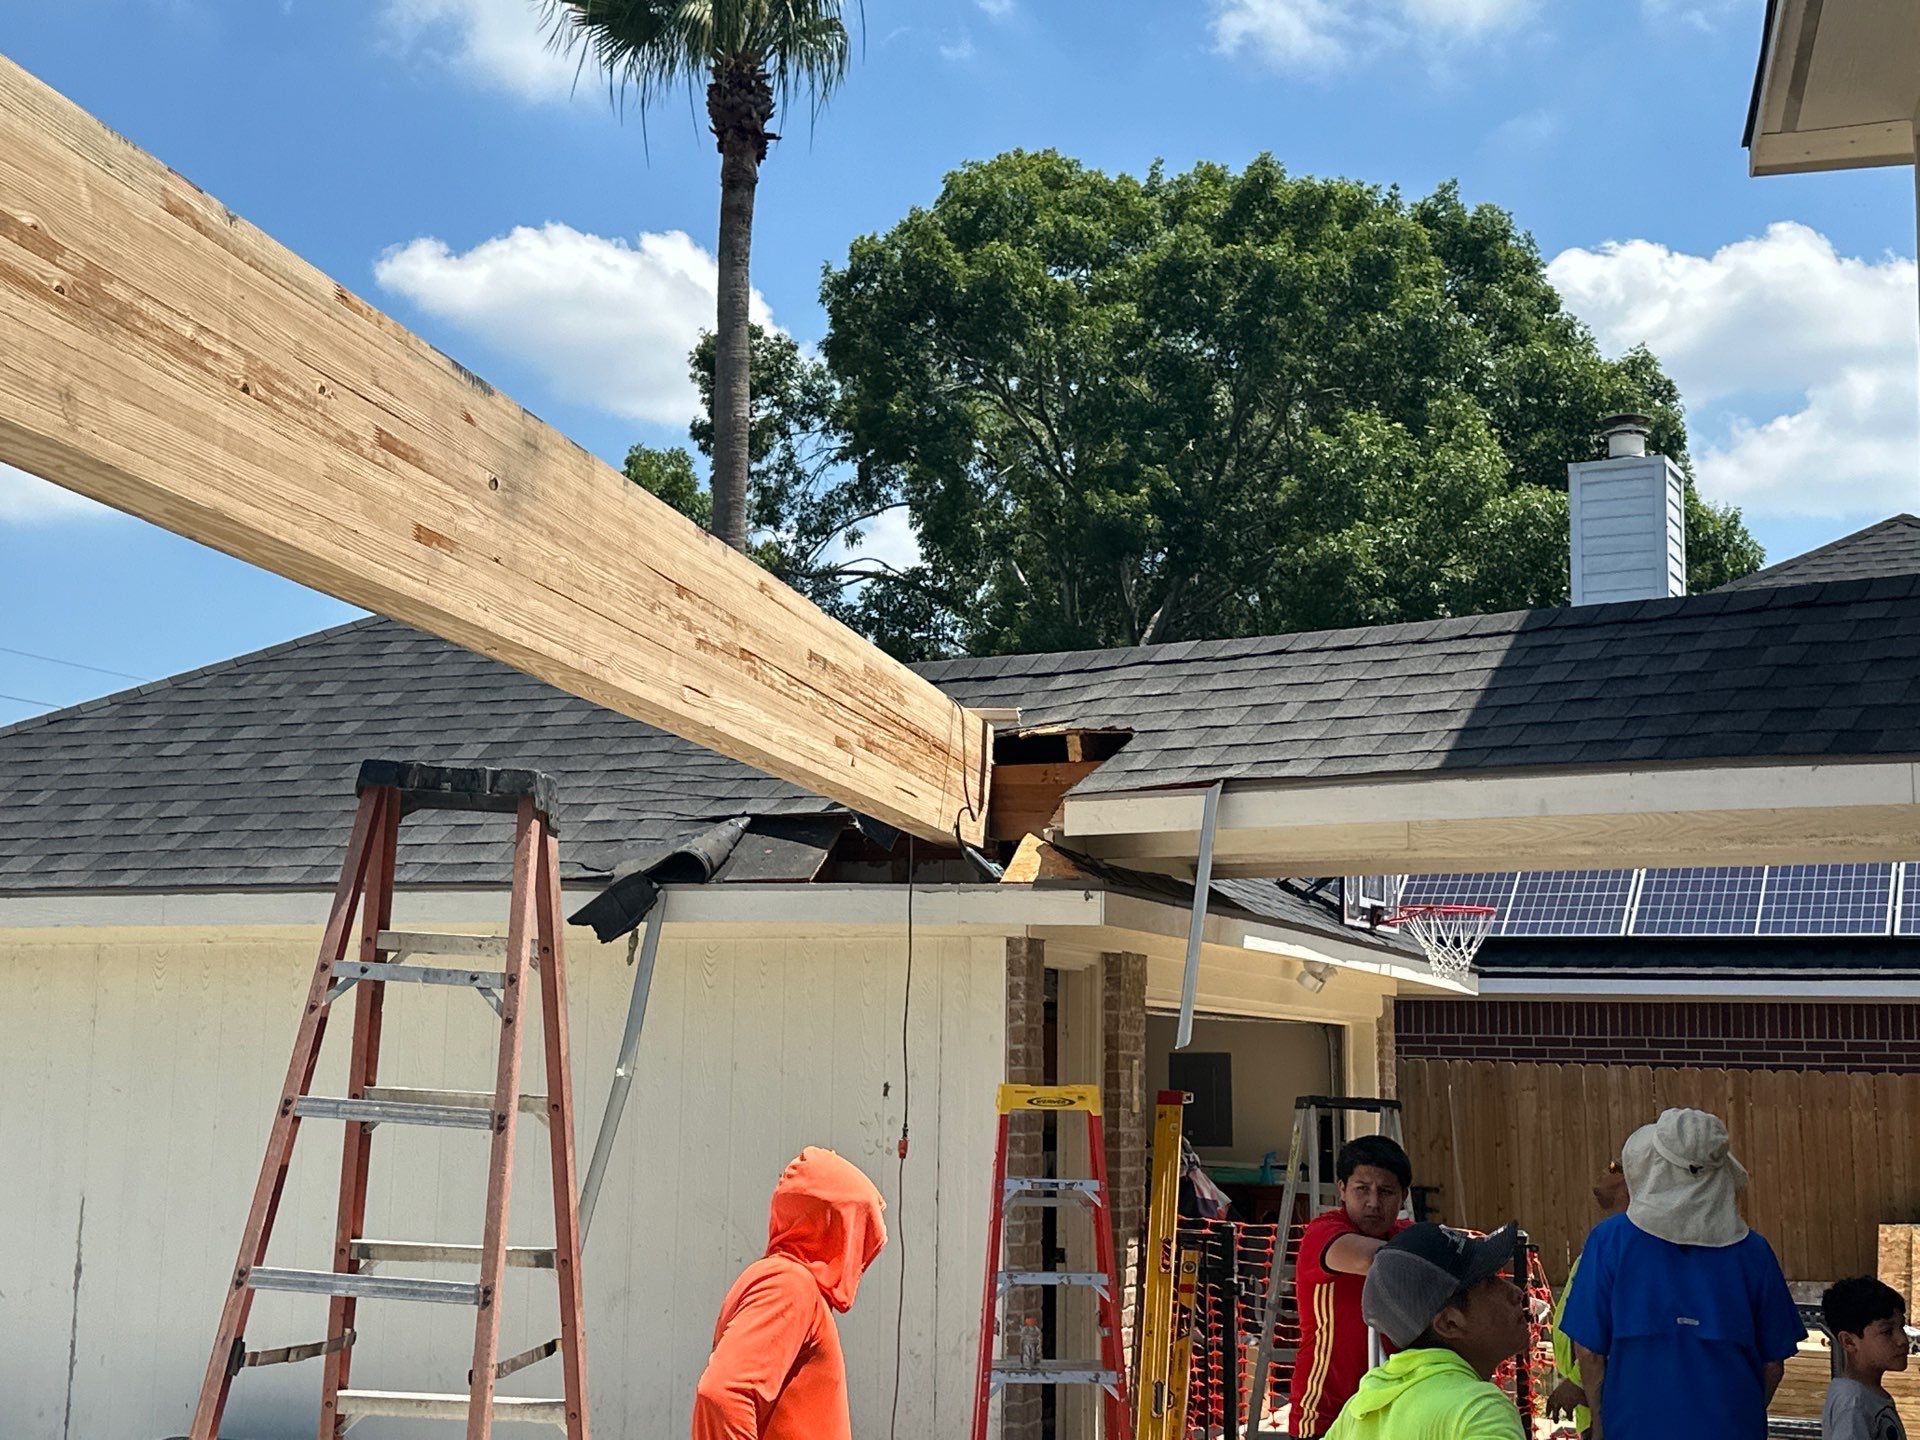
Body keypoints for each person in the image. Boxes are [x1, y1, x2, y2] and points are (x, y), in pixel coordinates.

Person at [1558, 1108, 1805, 1440]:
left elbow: (1588, 1352)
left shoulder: (1611, 1241)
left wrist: (1601, 1428)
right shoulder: (1753, 1252)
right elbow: (1773, 1364)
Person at [692, 1147, 888, 1440]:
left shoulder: (781, 1280)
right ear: (831, 1224)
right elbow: (722, 1394)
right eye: (859, 1230)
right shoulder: (789, 1283)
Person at [1323, 1221, 1531, 1440]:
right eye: (1489, 1282)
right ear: (1449, 1324)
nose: (1516, 1292)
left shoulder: (1357, 1411)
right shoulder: (1479, 1411)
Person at [1289, 1134, 1416, 1438]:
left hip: (1388, 1417)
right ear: (1342, 1191)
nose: (1373, 1202)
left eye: (1386, 1191)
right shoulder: (1323, 1232)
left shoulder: (1404, 1236)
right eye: (1362, 1189)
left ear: (1403, 1196)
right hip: (1323, 1416)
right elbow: (1371, 1260)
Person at [1547, 1160, 1630, 1438]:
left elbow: (1623, 1327)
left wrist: (1581, 1384)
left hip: (1613, 1415)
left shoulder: (1625, 1243)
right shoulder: (1609, 1238)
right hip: (1595, 1413)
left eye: (1613, 1167)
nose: (1603, 1172)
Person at [1820, 1275, 1910, 1440]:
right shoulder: (1852, 1402)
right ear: (1849, 1342)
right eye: (1887, 1332)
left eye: (1902, 1327)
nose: (1903, 1340)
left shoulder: (1868, 1395)